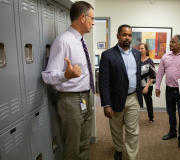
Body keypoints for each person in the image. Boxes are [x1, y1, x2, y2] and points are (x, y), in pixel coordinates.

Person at [41, 1, 95, 159]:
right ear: (83, 18)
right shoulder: (63, 41)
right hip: (71, 100)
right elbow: (47, 75)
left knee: (84, 141)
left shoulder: (81, 40)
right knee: (72, 146)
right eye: (92, 18)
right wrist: (66, 75)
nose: (93, 22)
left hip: (85, 97)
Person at [99, 24, 143, 160]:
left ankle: (132, 156)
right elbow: (104, 81)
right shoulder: (107, 55)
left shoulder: (137, 53)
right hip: (115, 99)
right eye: (124, 35)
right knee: (116, 129)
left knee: (133, 131)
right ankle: (118, 148)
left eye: (130, 35)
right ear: (118, 36)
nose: (127, 38)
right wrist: (106, 104)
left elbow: (137, 75)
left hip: (133, 98)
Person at [155, 35, 180, 152]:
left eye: (173, 42)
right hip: (169, 89)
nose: (170, 44)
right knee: (171, 113)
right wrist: (157, 86)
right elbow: (160, 73)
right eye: (170, 42)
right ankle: (172, 132)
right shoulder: (165, 57)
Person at [138, 43, 156, 123]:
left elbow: (153, 76)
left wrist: (147, 87)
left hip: (147, 85)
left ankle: (151, 117)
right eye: (139, 48)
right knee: (136, 102)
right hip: (138, 85)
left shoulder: (149, 61)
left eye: (142, 48)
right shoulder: (136, 60)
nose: (140, 50)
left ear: (146, 50)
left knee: (148, 101)